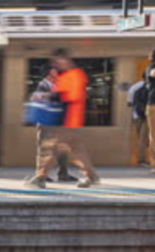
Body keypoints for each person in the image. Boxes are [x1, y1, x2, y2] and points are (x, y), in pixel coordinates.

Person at [25, 49, 100, 189]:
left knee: (49, 147)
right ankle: (91, 175)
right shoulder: (66, 75)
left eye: (57, 61)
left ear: (65, 60)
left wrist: (50, 96)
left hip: (69, 118)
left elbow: (71, 96)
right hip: (66, 119)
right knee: (75, 150)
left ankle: (41, 177)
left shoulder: (75, 75)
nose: (56, 65)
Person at [30, 68, 76, 183]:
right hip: (45, 122)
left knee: (62, 148)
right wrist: (52, 96)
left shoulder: (56, 85)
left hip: (55, 121)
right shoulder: (42, 85)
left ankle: (63, 174)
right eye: (55, 73)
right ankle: (41, 176)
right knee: (45, 149)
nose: (58, 75)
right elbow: (36, 98)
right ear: (49, 75)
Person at [126, 79, 149, 167]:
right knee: (144, 139)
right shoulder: (151, 86)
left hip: (137, 116)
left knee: (142, 139)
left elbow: (129, 103)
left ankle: (143, 160)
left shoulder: (134, 87)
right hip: (146, 116)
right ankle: (142, 160)